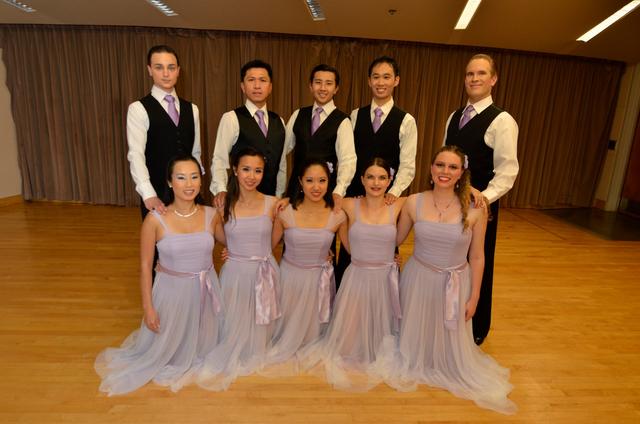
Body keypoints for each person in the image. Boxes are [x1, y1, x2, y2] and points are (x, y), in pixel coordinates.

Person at [391, 145, 516, 414]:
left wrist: (475, 296)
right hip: (418, 278)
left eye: (452, 167)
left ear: (461, 173)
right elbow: (395, 238)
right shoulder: (413, 202)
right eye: (440, 165)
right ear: (431, 169)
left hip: (455, 282)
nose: (444, 171)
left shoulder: (475, 208)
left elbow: (478, 256)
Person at [95, 155, 222, 395]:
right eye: (181, 178)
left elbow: (232, 242)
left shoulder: (211, 215)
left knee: (204, 350)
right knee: (168, 353)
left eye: (194, 177)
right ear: (170, 182)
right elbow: (145, 266)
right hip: (171, 295)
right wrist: (148, 308)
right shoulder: (155, 220)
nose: (189, 184)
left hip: (205, 293)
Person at [173, 146, 281, 391]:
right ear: (235, 170)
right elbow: (220, 237)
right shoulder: (223, 206)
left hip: (264, 272)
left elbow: (283, 235)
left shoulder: (274, 204)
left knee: (261, 328)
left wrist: (323, 251)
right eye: (246, 169)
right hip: (235, 274)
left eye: (258, 171)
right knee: (231, 326)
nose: (251, 176)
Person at [300, 158, 404, 391]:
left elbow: (437, 196)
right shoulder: (348, 204)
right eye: (370, 177)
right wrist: (319, 247)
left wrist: (474, 191)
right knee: (348, 340)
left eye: (382, 177)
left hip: (385, 279)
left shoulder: (399, 204)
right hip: (357, 276)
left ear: (390, 180)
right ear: (362, 180)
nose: (376, 183)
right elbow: (317, 204)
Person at [444, 53, 519, 345]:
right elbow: (446, 162)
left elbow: (507, 172)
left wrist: (481, 199)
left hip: (479, 208)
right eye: (470, 74)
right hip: (450, 205)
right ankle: (447, 319)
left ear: (493, 79)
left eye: (481, 73)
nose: (474, 78)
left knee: (476, 263)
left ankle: (475, 328)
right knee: (450, 262)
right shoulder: (454, 117)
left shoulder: (502, 121)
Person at [336, 56, 417, 282]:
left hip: (385, 199)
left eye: (386, 77)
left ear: (396, 81)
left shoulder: (406, 121)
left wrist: (393, 192)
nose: (381, 82)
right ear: (369, 81)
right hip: (357, 196)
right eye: (376, 77)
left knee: (386, 250)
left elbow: (408, 165)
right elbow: (347, 157)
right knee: (349, 253)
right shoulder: (355, 115)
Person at [263, 159, 346, 373]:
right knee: (284, 333)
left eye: (322, 181)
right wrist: (236, 251)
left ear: (329, 182)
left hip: (319, 282)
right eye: (310, 181)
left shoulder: (338, 215)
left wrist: (388, 257)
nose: (316, 187)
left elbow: (353, 249)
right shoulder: (285, 211)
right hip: (290, 280)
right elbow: (267, 247)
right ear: (300, 182)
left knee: (315, 336)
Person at [127, 45, 201, 218]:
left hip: (188, 192)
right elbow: (136, 155)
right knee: (159, 236)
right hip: (156, 193)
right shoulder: (138, 109)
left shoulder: (192, 109)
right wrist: (148, 193)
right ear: (149, 70)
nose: (166, 73)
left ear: (178, 71)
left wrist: (196, 186)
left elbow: (195, 153)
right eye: (159, 67)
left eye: (171, 67)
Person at [210, 60, 286, 207]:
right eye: (251, 80)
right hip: (239, 199)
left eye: (262, 80)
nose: (257, 86)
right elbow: (219, 158)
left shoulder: (279, 121)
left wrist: (279, 195)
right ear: (243, 86)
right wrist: (220, 190)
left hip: (270, 200)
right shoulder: (231, 118)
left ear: (270, 87)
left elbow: (281, 164)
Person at [283, 64, 356, 212]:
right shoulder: (298, 114)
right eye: (318, 82)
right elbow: (281, 150)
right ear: (311, 86)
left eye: (328, 83)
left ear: (336, 88)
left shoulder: (343, 121)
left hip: (325, 192)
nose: (323, 88)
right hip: (296, 190)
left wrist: (339, 191)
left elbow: (348, 160)